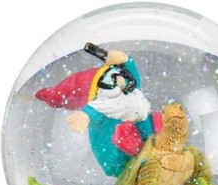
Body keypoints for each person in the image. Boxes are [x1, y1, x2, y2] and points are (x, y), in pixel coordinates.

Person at [36, 43, 162, 177]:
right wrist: (82, 117)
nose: (119, 80)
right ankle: (135, 159)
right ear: (99, 92)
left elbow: (131, 72)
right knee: (124, 135)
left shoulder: (131, 91)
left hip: (144, 129)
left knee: (150, 123)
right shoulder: (103, 106)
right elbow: (90, 112)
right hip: (116, 151)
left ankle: (158, 139)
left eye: (119, 75)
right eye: (110, 80)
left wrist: (125, 60)